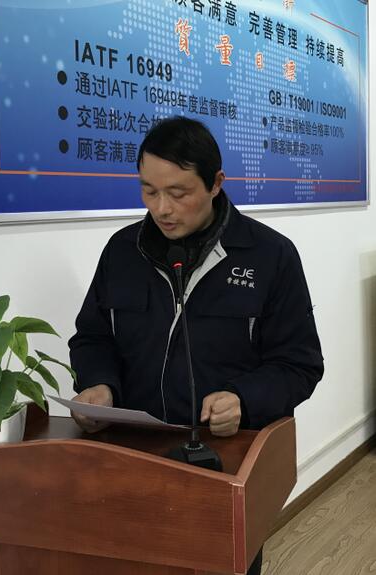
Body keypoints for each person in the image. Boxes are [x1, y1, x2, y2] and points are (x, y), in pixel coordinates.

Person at [68, 116, 324, 575]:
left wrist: (244, 400)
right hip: (134, 458)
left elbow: (300, 364)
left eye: (178, 192)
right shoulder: (122, 251)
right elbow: (92, 336)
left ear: (216, 183)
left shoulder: (270, 256)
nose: (161, 208)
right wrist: (99, 384)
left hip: (225, 463)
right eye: (149, 191)